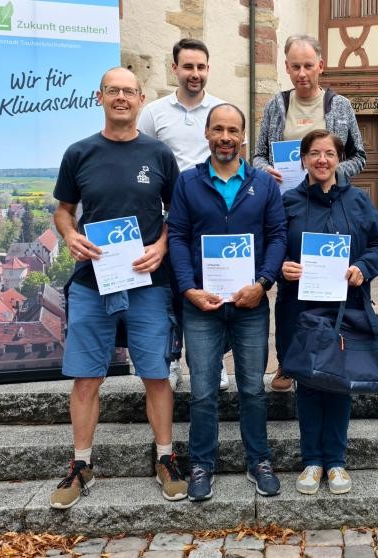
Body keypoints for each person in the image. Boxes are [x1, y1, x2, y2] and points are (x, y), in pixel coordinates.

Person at [50, 67, 187, 509]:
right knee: (88, 377)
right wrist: (70, 235)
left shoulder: (159, 154)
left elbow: (177, 217)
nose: (122, 98)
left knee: (156, 374)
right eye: (114, 91)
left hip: (148, 282)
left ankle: (165, 458)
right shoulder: (79, 153)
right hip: (94, 282)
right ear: (100, 96)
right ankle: (81, 464)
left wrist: (162, 246)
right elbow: (64, 211)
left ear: (141, 99)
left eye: (129, 92)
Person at [167, 103, 287, 501]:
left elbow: (277, 237)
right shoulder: (187, 183)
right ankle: (202, 464)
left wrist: (263, 282)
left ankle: (259, 460)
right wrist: (188, 289)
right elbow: (178, 238)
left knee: (253, 388)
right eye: (218, 129)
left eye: (233, 130)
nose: (225, 137)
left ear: (243, 137)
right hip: (202, 304)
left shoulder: (264, 184)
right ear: (206, 133)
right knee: (203, 391)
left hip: (250, 304)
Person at [253, 33, 367, 393]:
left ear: (321, 65)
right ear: (286, 67)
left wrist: (331, 174)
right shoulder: (275, 105)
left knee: (329, 282)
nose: (302, 73)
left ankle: (334, 349)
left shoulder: (340, 106)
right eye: (295, 66)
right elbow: (258, 156)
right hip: (287, 207)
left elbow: (359, 156)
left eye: (308, 65)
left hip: (331, 204)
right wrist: (263, 170)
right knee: (289, 283)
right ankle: (288, 361)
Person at [278, 129, 378, 495]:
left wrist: (363, 266)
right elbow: (272, 244)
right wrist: (283, 266)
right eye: (314, 153)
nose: (322, 160)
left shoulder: (357, 201)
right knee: (308, 383)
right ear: (303, 159)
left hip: (347, 307)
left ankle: (337, 462)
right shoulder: (287, 203)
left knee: (340, 383)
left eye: (328, 153)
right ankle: (312, 460)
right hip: (301, 307)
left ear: (339, 159)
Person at [139, 38, 230, 392]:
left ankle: (215, 361)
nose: (195, 74)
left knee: (216, 288)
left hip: (214, 218)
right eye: (188, 67)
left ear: (208, 70)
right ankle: (173, 361)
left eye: (201, 67)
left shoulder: (221, 108)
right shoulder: (155, 113)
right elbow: (140, 155)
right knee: (175, 293)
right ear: (174, 68)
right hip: (170, 219)